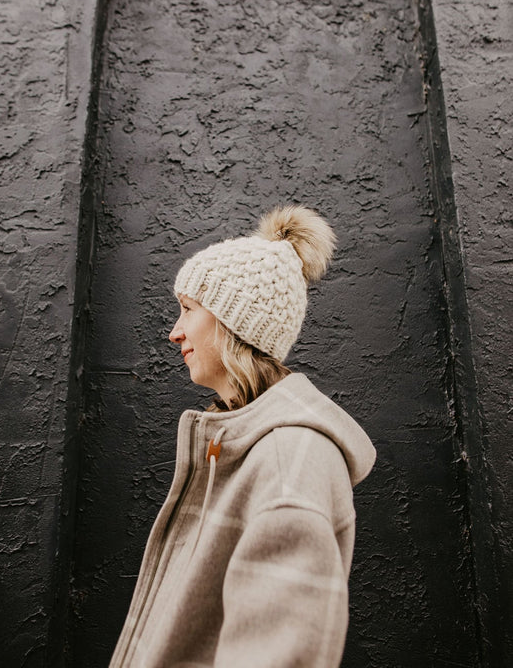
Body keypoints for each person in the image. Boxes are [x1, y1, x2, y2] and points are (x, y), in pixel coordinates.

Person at [109, 205, 376, 668]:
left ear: (236, 325)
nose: (174, 333)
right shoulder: (241, 446)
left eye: (188, 310)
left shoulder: (286, 459)